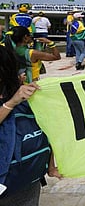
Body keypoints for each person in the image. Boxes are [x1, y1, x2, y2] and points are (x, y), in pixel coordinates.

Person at [0, 45, 61, 205]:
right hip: (23, 176)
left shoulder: (26, 95)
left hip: (27, 178)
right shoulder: (18, 97)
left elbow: (49, 129)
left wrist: (51, 165)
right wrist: (11, 103)